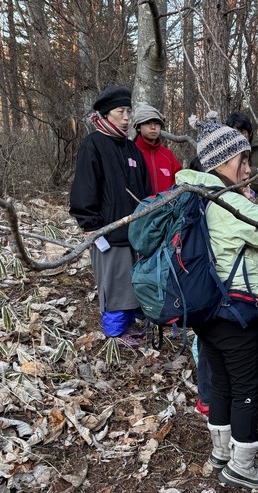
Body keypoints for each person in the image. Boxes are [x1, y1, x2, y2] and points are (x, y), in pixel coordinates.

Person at [179, 111, 258, 489]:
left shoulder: (196, 195)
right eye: (243, 159)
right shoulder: (229, 203)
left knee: (220, 383)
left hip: (206, 307)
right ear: (223, 161)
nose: (248, 167)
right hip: (236, 307)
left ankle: (220, 451)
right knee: (246, 387)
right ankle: (243, 465)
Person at [69, 85, 152, 346]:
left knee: (133, 281)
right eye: (120, 111)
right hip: (107, 232)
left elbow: (145, 190)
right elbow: (85, 188)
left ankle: (130, 324)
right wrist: (90, 225)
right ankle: (115, 331)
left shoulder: (132, 150)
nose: (127, 117)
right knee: (114, 283)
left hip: (135, 233)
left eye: (128, 111)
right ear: (106, 115)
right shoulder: (93, 145)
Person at [131, 103, 182, 193]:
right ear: (138, 127)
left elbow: (180, 183)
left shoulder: (167, 155)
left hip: (167, 206)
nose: (153, 127)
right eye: (148, 123)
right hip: (139, 206)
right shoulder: (130, 152)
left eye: (157, 124)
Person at [226, 111, 258, 191]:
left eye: (242, 132)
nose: (239, 137)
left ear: (250, 133)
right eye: (234, 133)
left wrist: (241, 182)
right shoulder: (223, 155)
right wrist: (256, 171)